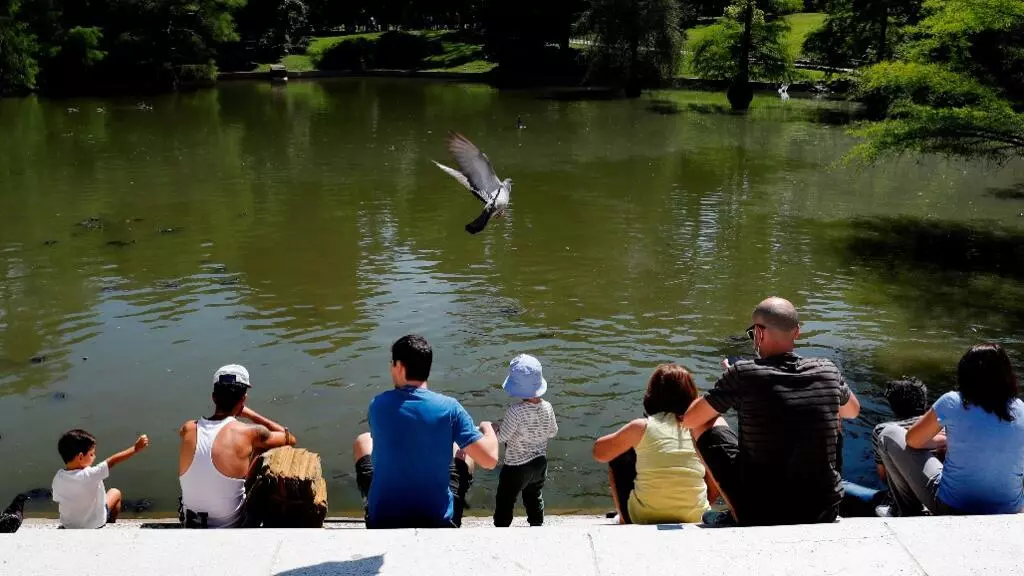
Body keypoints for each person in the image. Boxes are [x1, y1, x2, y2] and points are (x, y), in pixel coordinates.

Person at [682, 297, 861, 526]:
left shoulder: (742, 374)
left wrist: (730, 383)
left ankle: (734, 511)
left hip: (761, 511)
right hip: (823, 509)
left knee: (707, 421)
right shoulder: (827, 369)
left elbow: (689, 419)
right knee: (833, 410)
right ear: (797, 332)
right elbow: (853, 411)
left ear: (758, 333)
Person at [353, 335, 499, 529]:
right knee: (462, 449)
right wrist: (488, 429)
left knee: (363, 441)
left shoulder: (378, 405)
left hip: (382, 519)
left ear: (399, 367)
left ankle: (368, 502)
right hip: (437, 521)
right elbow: (489, 460)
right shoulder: (450, 408)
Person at [878, 344, 1024, 516]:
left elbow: (912, 440)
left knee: (888, 434)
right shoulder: (1021, 408)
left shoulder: (952, 401)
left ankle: (905, 512)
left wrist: (945, 440)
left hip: (953, 508)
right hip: (1010, 510)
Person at [593, 364, 716, 525]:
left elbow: (599, 452)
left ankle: (624, 519)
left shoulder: (641, 426)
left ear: (651, 395)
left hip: (644, 517)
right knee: (709, 461)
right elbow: (718, 478)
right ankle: (693, 505)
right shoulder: (699, 428)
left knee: (618, 455)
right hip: (697, 516)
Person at [178, 364, 296, 528]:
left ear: (213, 397)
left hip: (189, 525)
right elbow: (290, 439)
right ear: (243, 399)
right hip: (232, 528)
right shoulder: (249, 433)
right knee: (264, 448)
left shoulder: (188, 428)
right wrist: (250, 414)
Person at [841, 377, 930, 517]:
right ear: (925, 403)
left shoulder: (883, 430)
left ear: (893, 406)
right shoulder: (941, 428)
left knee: (841, 487)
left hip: (901, 502)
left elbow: (884, 476)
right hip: (936, 497)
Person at [493, 354, 558, 527]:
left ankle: (501, 527)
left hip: (516, 467)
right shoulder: (548, 407)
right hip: (539, 464)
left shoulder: (515, 411)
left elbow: (502, 437)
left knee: (505, 499)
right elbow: (553, 432)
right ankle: (537, 525)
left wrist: (493, 430)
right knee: (534, 496)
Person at [52, 429, 149, 529]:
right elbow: (112, 462)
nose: (94, 456)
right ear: (80, 457)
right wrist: (135, 448)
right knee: (115, 492)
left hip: (68, 525)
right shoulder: (90, 474)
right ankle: (110, 522)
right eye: (91, 454)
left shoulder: (59, 477)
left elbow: (57, 499)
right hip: (94, 525)